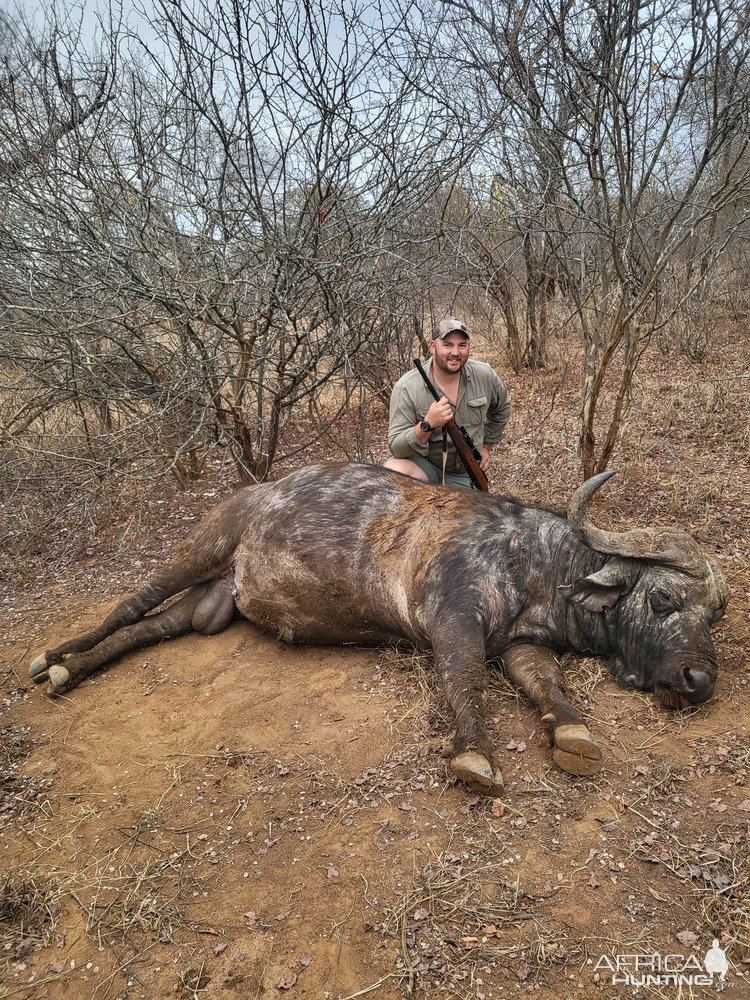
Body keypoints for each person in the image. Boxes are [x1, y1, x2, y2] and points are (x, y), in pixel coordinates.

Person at [384, 317, 511, 489]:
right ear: (432, 346)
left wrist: (487, 446)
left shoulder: (485, 375)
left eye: (462, 345)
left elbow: (502, 407)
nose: (456, 352)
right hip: (427, 467)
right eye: (448, 345)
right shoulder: (406, 387)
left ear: (468, 347)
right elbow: (397, 449)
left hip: (466, 470)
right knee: (393, 470)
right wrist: (427, 425)